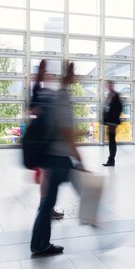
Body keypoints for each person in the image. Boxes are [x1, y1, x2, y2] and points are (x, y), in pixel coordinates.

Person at [30, 61, 84, 256]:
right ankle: (39, 243)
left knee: (47, 202)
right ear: (68, 76)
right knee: (52, 202)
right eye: (73, 72)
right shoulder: (62, 98)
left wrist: (38, 76)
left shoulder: (55, 97)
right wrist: (80, 159)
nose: (75, 75)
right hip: (59, 159)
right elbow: (66, 132)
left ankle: (39, 243)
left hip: (55, 158)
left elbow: (35, 97)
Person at [30, 60, 64, 220]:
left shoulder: (40, 90)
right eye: (44, 71)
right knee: (48, 175)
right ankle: (47, 208)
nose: (48, 74)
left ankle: (46, 207)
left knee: (46, 174)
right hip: (45, 138)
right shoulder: (39, 90)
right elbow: (33, 110)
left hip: (46, 137)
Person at [102, 80, 123, 167]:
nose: (108, 87)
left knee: (112, 140)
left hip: (113, 122)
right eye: (107, 85)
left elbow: (119, 107)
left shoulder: (115, 95)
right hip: (110, 121)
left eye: (110, 85)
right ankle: (110, 159)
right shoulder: (110, 95)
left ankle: (111, 160)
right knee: (111, 140)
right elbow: (107, 107)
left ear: (112, 86)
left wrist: (114, 118)